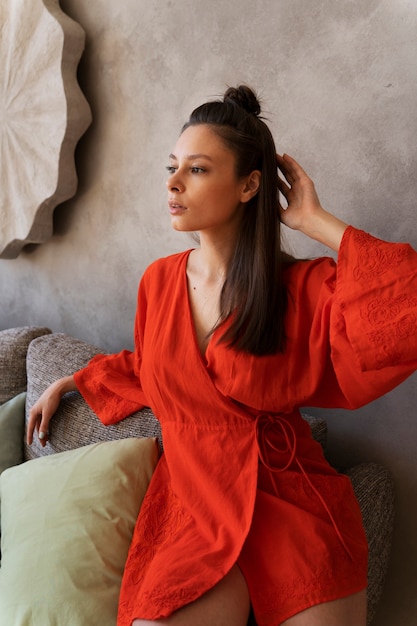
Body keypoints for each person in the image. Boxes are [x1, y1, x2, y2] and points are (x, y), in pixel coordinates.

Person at [27, 85, 417, 626]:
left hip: (289, 499)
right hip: (196, 502)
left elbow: (406, 307)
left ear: (249, 185)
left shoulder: (299, 288)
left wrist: (313, 220)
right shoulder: (158, 283)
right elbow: (156, 368)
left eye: (199, 169)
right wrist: (71, 382)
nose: (173, 182)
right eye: (172, 166)